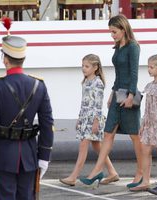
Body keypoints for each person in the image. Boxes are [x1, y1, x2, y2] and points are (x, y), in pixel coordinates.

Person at [0, 35, 54, 200]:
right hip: (30, 157)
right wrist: (44, 157)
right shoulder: (39, 85)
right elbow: (47, 124)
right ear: (23, 59)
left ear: (5, 59)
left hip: (3, 157)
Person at [80, 14, 143, 188]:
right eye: (110, 32)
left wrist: (131, 95)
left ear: (123, 29)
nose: (112, 35)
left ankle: (140, 173)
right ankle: (96, 172)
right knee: (108, 133)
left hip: (128, 95)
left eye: (114, 32)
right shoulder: (118, 48)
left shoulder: (133, 47)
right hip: (117, 94)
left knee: (134, 136)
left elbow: (134, 73)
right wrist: (111, 94)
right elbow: (118, 74)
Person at [59, 54, 119, 187]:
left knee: (83, 146)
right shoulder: (86, 81)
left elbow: (98, 104)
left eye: (87, 66)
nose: (83, 69)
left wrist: (96, 122)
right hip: (85, 118)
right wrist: (79, 118)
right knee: (98, 146)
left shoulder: (98, 83)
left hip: (93, 119)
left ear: (95, 67)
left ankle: (73, 176)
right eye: (82, 66)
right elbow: (83, 102)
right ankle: (112, 172)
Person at [130, 54, 157, 191]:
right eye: (148, 67)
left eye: (152, 67)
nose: (149, 69)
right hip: (149, 124)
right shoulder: (149, 86)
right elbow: (148, 108)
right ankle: (145, 181)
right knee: (145, 151)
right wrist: (143, 124)